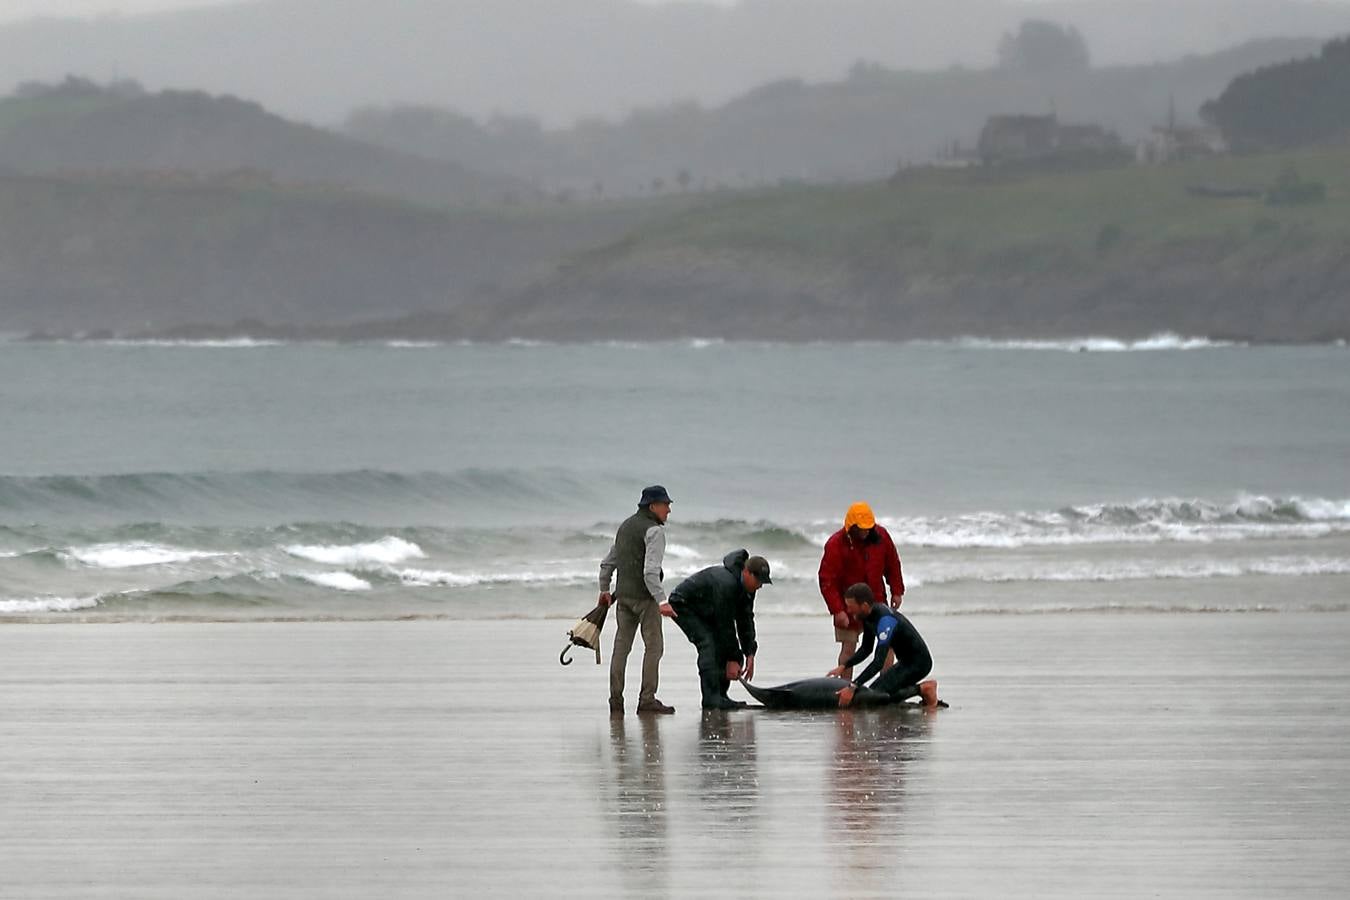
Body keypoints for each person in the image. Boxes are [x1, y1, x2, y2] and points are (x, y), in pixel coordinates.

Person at [599, 485, 677, 715]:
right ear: (653, 507)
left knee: (621, 648)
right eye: (666, 505)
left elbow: (607, 564)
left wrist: (605, 589)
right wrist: (662, 601)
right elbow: (650, 572)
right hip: (645, 599)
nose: (669, 510)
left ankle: (615, 700)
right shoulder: (654, 531)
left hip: (623, 598)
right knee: (654, 647)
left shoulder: (625, 527)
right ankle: (647, 699)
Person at [668, 549, 771, 710]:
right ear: (746, 572)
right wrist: (733, 658)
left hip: (708, 610)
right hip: (683, 604)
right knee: (708, 643)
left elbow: (745, 620)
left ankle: (721, 696)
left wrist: (749, 652)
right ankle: (711, 698)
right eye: (758, 581)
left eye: (762, 583)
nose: (760, 586)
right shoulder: (727, 584)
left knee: (721, 644)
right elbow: (725, 626)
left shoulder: (748, 590)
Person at [818, 501, 905, 679]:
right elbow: (827, 580)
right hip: (848, 606)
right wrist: (837, 610)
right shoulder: (835, 544)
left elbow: (893, 564)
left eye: (868, 527)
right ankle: (844, 687)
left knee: (887, 646)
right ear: (851, 527)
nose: (866, 531)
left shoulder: (881, 536)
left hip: (877, 601)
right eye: (861, 528)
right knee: (848, 648)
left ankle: (886, 685)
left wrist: (897, 590)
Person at [828, 583, 938, 708]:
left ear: (864, 606)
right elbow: (866, 649)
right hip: (905, 663)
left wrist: (852, 686)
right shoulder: (867, 616)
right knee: (874, 691)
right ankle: (917, 691)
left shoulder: (885, 621)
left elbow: (878, 662)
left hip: (919, 664)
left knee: (877, 697)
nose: (848, 610)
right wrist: (844, 666)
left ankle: (924, 688)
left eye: (851, 607)